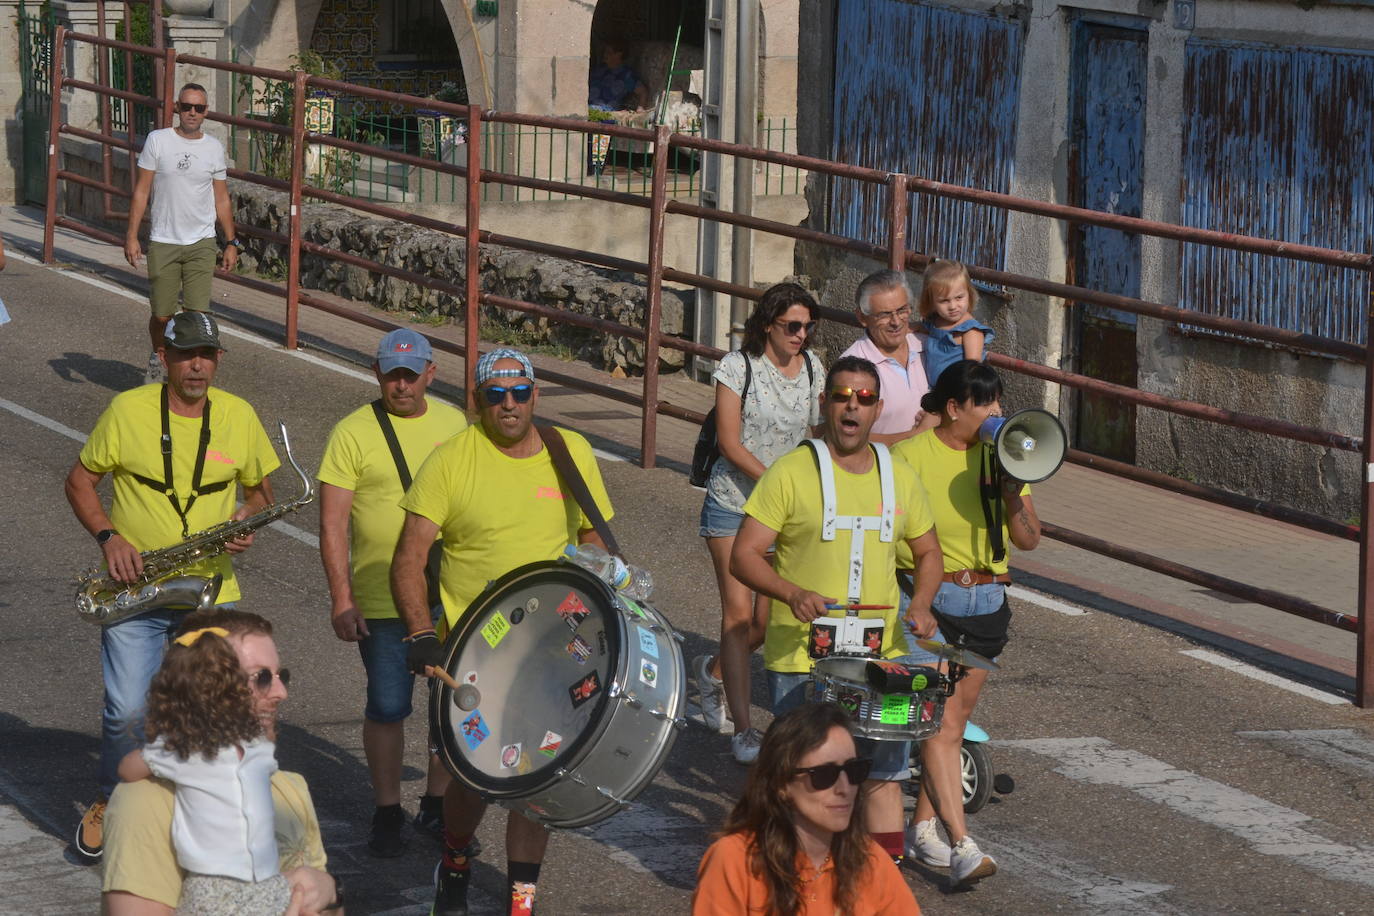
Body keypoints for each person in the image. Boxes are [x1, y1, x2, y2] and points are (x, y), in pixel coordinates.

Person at [392, 347, 615, 916]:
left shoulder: (570, 452)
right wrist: (421, 632)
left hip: (554, 651)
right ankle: (458, 858)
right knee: (474, 779)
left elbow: (594, 538)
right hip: (473, 656)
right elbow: (409, 557)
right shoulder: (449, 461)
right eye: (496, 395)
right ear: (477, 402)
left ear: (536, 396)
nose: (509, 405)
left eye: (520, 394)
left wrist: (600, 589)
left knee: (535, 777)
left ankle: (522, 899)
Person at [65, 311, 279, 861]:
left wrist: (243, 519)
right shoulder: (127, 410)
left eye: (206, 355)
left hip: (209, 592)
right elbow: (79, 481)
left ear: (218, 360)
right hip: (136, 588)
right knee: (127, 711)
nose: (197, 366)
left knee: (212, 710)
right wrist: (109, 538)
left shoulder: (239, 415)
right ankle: (113, 798)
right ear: (164, 357)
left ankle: (200, 812)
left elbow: (261, 495)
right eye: (185, 355)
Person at [730, 355, 945, 865]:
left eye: (864, 398)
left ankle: (881, 885)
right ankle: (794, 879)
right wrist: (789, 593)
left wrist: (921, 601)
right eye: (843, 395)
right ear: (825, 403)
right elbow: (743, 555)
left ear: (877, 410)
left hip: (882, 660)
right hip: (801, 660)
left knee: (885, 775)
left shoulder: (899, 476)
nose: (853, 405)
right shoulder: (790, 471)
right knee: (805, 781)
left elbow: (929, 552)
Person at [892, 360, 1041, 889]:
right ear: (954, 408)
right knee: (937, 722)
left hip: (986, 605)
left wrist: (1010, 488)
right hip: (929, 601)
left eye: (999, 401)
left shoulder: (1003, 458)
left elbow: (1028, 538)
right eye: (985, 403)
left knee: (951, 724)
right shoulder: (909, 457)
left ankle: (922, 828)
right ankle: (961, 844)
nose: (997, 412)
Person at [318, 328, 466, 856]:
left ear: (431, 372)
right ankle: (386, 810)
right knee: (387, 706)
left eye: (410, 373)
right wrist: (342, 597)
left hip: (449, 595)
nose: (400, 385)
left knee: (449, 705)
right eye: (390, 373)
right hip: (381, 601)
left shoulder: (454, 424)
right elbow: (333, 524)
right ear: (376, 372)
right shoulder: (352, 433)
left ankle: (435, 802)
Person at [101, 608, 340, 915]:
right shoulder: (146, 802)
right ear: (206, 690)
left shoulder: (288, 786)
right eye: (262, 678)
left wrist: (332, 890)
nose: (281, 693)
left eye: (282, 677)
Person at [694, 282, 825, 765]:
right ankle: (745, 731)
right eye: (793, 325)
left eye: (808, 327)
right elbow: (729, 443)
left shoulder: (813, 368)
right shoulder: (737, 367)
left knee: (770, 623)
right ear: (768, 323)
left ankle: (710, 674)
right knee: (740, 615)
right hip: (733, 504)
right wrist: (776, 483)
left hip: (782, 516)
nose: (801, 335)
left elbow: (816, 433)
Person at [116, 626, 292, 914]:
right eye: (261, 679)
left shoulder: (182, 746)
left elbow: (127, 770)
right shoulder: (252, 742)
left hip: (213, 886)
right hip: (264, 881)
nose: (278, 691)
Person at [691, 702, 920, 915]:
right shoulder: (734, 860)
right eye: (824, 775)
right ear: (781, 783)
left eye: (854, 770)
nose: (844, 788)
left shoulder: (868, 860)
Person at [124, 83, 240, 385]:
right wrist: (132, 235)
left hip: (201, 242)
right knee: (162, 315)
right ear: (177, 108)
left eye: (198, 108)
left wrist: (231, 241)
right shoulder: (157, 141)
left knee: (195, 314)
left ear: (205, 112)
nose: (192, 112)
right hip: (164, 240)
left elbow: (222, 199)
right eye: (187, 106)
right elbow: (141, 191)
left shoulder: (214, 148)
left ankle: (186, 372)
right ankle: (158, 353)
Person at [840, 270, 930, 445]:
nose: (896, 322)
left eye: (902, 310)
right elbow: (846, 437)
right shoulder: (852, 367)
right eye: (884, 314)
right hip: (882, 468)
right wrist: (917, 434)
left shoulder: (927, 346)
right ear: (862, 317)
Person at [915, 260, 995, 388]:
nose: (952, 306)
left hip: (958, 393)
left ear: (969, 294)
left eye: (959, 298)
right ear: (931, 302)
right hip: (935, 390)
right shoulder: (935, 322)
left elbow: (972, 370)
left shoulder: (970, 331)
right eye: (944, 301)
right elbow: (917, 326)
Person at [588, 38, 650, 111]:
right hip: (585, 109)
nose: (605, 55)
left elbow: (643, 92)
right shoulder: (598, 70)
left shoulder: (626, 75)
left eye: (609, 52)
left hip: (604, 114)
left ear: (618, 55)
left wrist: (640, 110)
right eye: (605, 52)